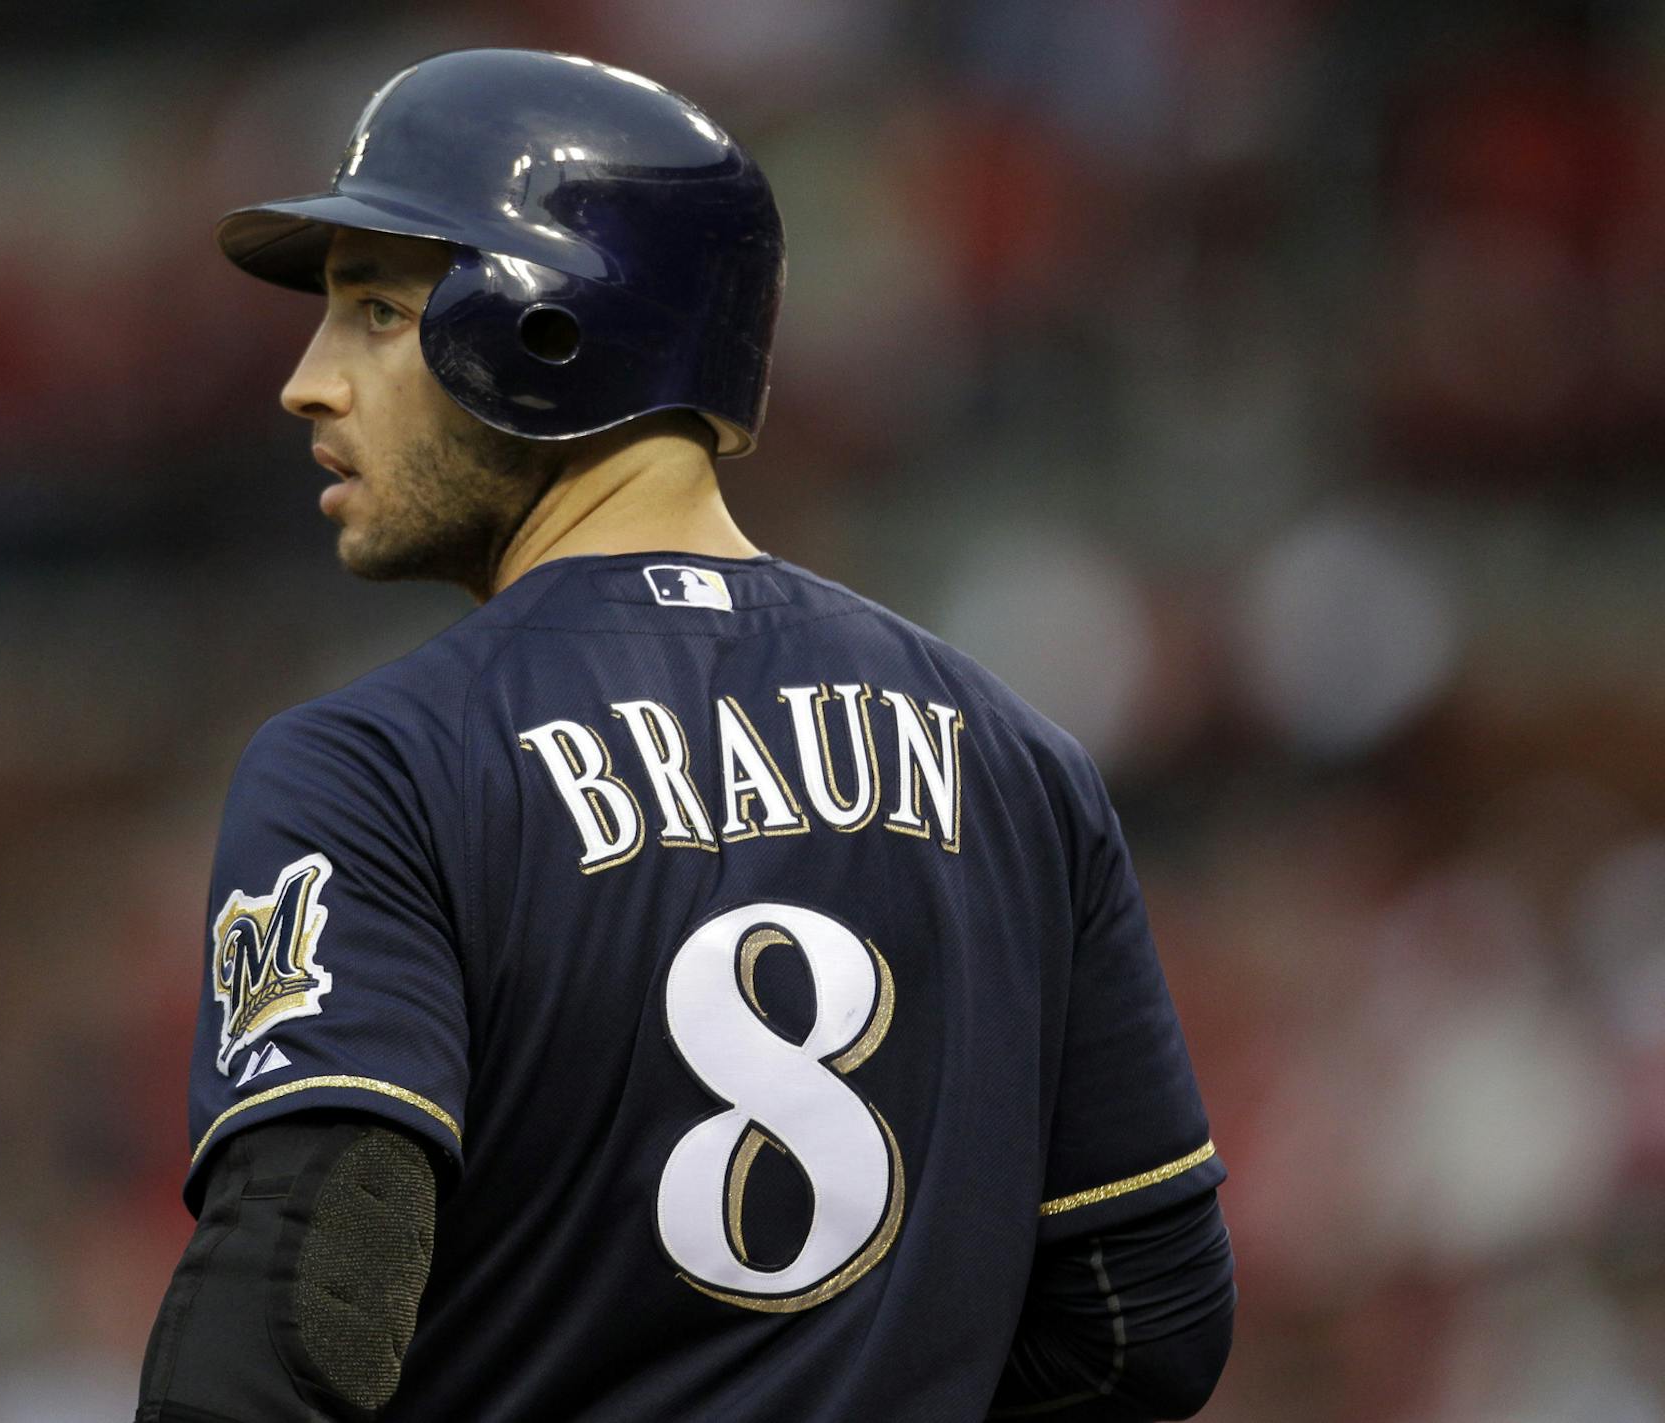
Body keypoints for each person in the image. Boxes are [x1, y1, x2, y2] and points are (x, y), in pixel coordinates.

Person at [135, 48, 1234, 1423]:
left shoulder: (376, 767)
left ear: (542, 326)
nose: (308, 381)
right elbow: (1149, 1328)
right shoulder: (1013, 753)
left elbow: (303, 1307)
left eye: (371, 311)